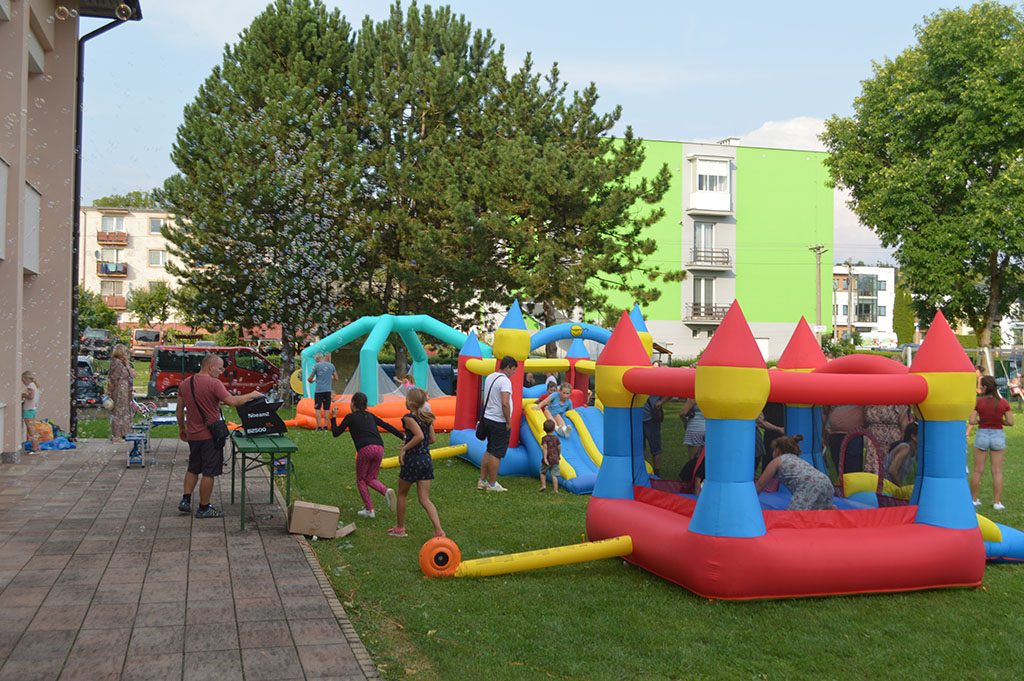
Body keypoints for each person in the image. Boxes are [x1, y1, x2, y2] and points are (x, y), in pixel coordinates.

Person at [176, 353, 263, 518]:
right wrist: (251, 395)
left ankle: (185, 500)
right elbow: (232, 401)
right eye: (220, 368)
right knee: (209, 472)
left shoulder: (185, 383)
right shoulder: (214, 383)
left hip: (193, 435)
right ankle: (204, 508)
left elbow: (179, 411)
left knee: (193, 468)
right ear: (211, 367)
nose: (221, 372)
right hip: (210, 436)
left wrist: (182, 429)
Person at [331, 392, 402, 518]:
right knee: (371, 478)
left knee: (361, 479)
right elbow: (387, 426)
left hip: (365, 449)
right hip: (379, 448)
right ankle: (386, 491)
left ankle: (369, 510)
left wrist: (333, 418)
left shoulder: (350, 417)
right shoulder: (370, 416)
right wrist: (403, 437)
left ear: (353, 404)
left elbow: (336, 433)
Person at [389, 388, 443, 538]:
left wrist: (405, 448)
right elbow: (431, 439)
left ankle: (400, 528)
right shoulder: (427, 418)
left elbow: (419, 436)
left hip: (413, 460)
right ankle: (439, 530)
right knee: (424, 499)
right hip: (426, 460)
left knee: (402, 494)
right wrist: (412, 442)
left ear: (410, 402)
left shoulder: (409, 418)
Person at [756, 435, 836, 510]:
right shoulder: (797, 460)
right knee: (819, 512)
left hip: (810, 484)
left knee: (795, 514)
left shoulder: (777, 460)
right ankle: (831, 510)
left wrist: (751, 499)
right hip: (826, 482)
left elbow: (760, 484)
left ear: (777, 450)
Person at [969, 375, 1014, 511]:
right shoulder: (1004, 402)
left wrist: (981, 420)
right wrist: (1000, 421)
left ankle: (974, 499)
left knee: (978, 470)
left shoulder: (978, 402)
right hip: (998, 435)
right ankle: (997, 502)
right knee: (997, 471)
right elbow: (1010, 422)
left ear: (985, 387)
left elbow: (972, 420)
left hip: (982, 434)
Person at [478, 355, 517, 492]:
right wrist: (508, 421)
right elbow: (505, 403)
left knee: (489, 449)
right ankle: (492, 484)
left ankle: (482, 480)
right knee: (496, 453)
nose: (514, 372)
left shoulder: (490, 377)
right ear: (508, 367)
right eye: (513, 369)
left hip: (488, 418)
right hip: (499, 421)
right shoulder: (505, 381)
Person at [823, 404, 866, 475]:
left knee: (854, 469)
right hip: (835, 435)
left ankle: (853, 482)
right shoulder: (830, 396)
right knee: (839, 467)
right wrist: (822, 434)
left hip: (854, 436)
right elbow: (824, 413)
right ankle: (842, 481)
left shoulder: (861, 396)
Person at [107, 343, 136, 442]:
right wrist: (110, 390)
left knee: (125, 411)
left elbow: (133, 374)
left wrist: (127, 364)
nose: (126, 355)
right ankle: (116, 435)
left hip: (125, 389)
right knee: (118, 412)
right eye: (125, 353)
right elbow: (113, 378)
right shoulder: (117, 362)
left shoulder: (124, 363)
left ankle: (125, 432)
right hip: (119, 389)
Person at [307, 353, 337, 432]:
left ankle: (319, 427)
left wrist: (311, 380)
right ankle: (326, 427)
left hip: (319, 390)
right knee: (327, 409)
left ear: (317, 359)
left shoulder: (316, 366)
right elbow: (336, 378)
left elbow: (310, 379)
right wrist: (330, 377)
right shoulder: (331, 366)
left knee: (318, 409)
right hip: (328, 390)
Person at [642, 395, 670, 477]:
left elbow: (670, 392)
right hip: (638, 418)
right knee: (640, 447)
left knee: (655, 447)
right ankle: (645, 469)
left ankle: (656, 472)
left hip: (652, 419)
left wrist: (661, 402)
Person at [883, 421, 918, 486]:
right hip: (883, 483)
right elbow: (892, 470)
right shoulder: (905, 448)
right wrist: (899, 488)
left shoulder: (915, 450)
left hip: (889, 484)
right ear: (913, 436)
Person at [20, 371, 40, 453]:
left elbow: (31, 396)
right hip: (33, 408)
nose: (23, 382)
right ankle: (37, 447)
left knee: (30, 429)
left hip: (28, 409)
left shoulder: (30, 385)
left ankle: (34, 448)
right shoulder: (34, 385)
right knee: (33, 428)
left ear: (26, 379)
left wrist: (22, 395)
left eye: (23, 380)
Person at [539, 419, 560, 493]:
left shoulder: (544, 439)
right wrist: (558, 455)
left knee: (542, 473)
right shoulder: (556, 438)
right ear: (554, 428)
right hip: (555, 459)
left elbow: (545, 448)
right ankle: (555, 490)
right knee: (554, 475)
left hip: (548, 459)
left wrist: (545, 458)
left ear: (544, 429)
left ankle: (543, 485)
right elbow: (559, 448)